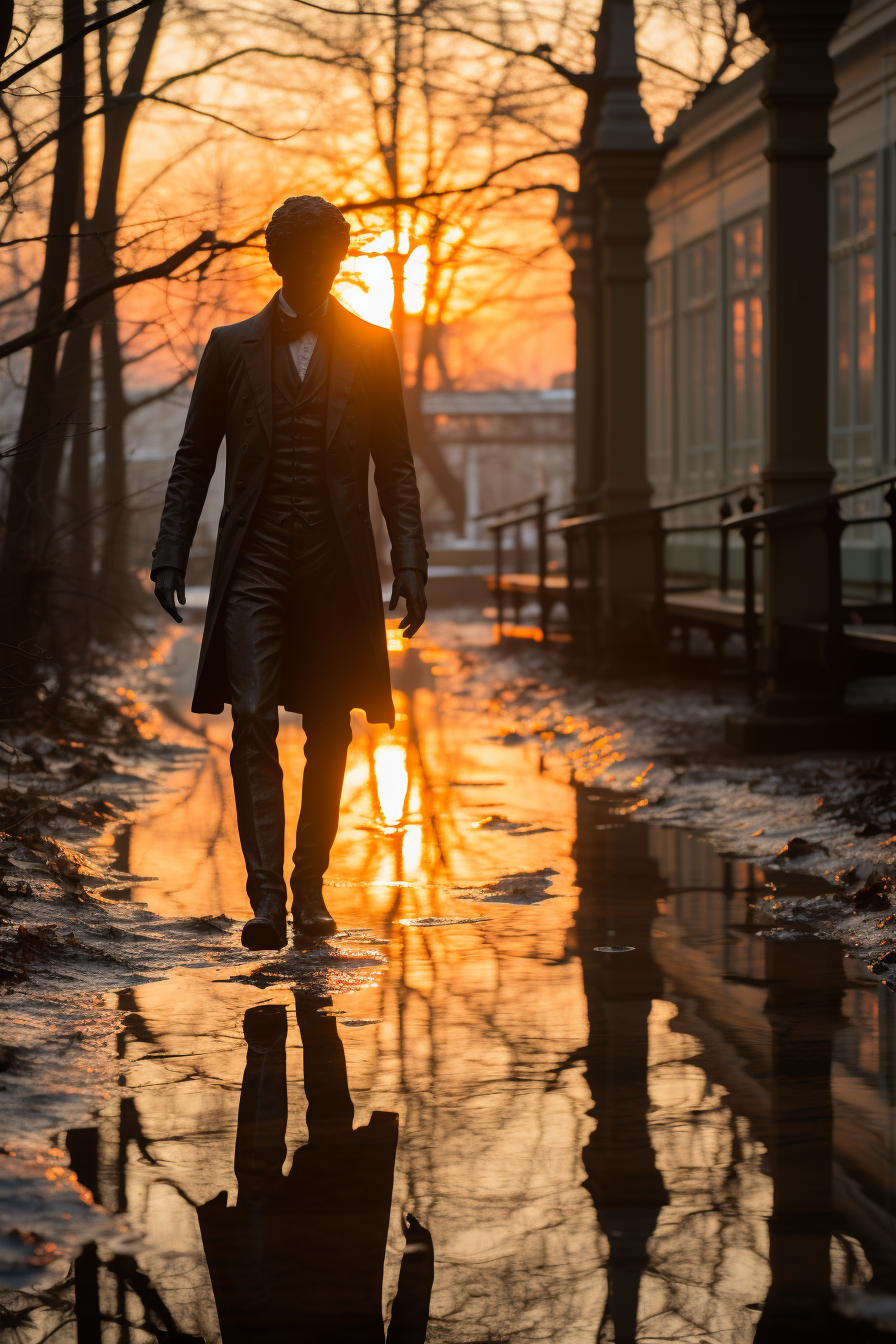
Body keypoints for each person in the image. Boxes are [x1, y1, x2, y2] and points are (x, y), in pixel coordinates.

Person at [151, 196, 427, 950]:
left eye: (327, 252)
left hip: (337, 564)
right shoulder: (231, 347)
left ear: (340, 258)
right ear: (278, 258)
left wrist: (411, 560)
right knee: (252, 716)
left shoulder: (373, 346)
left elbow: (395, 465)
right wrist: (171, 548)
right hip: (257, 561)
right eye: (300, 253)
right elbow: (193, 456)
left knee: (330, 730)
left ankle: (310, 892)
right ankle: (266, 898)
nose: (315, 265)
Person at [197, 1000, 434, 1343]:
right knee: (262, 1174)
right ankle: (272, 1045)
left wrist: (420, 1256)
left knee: (327, 1133)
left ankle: (308, 1019)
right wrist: (418, 1256)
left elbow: (409, 1326)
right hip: (282, 1289)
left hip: (332, 1265)